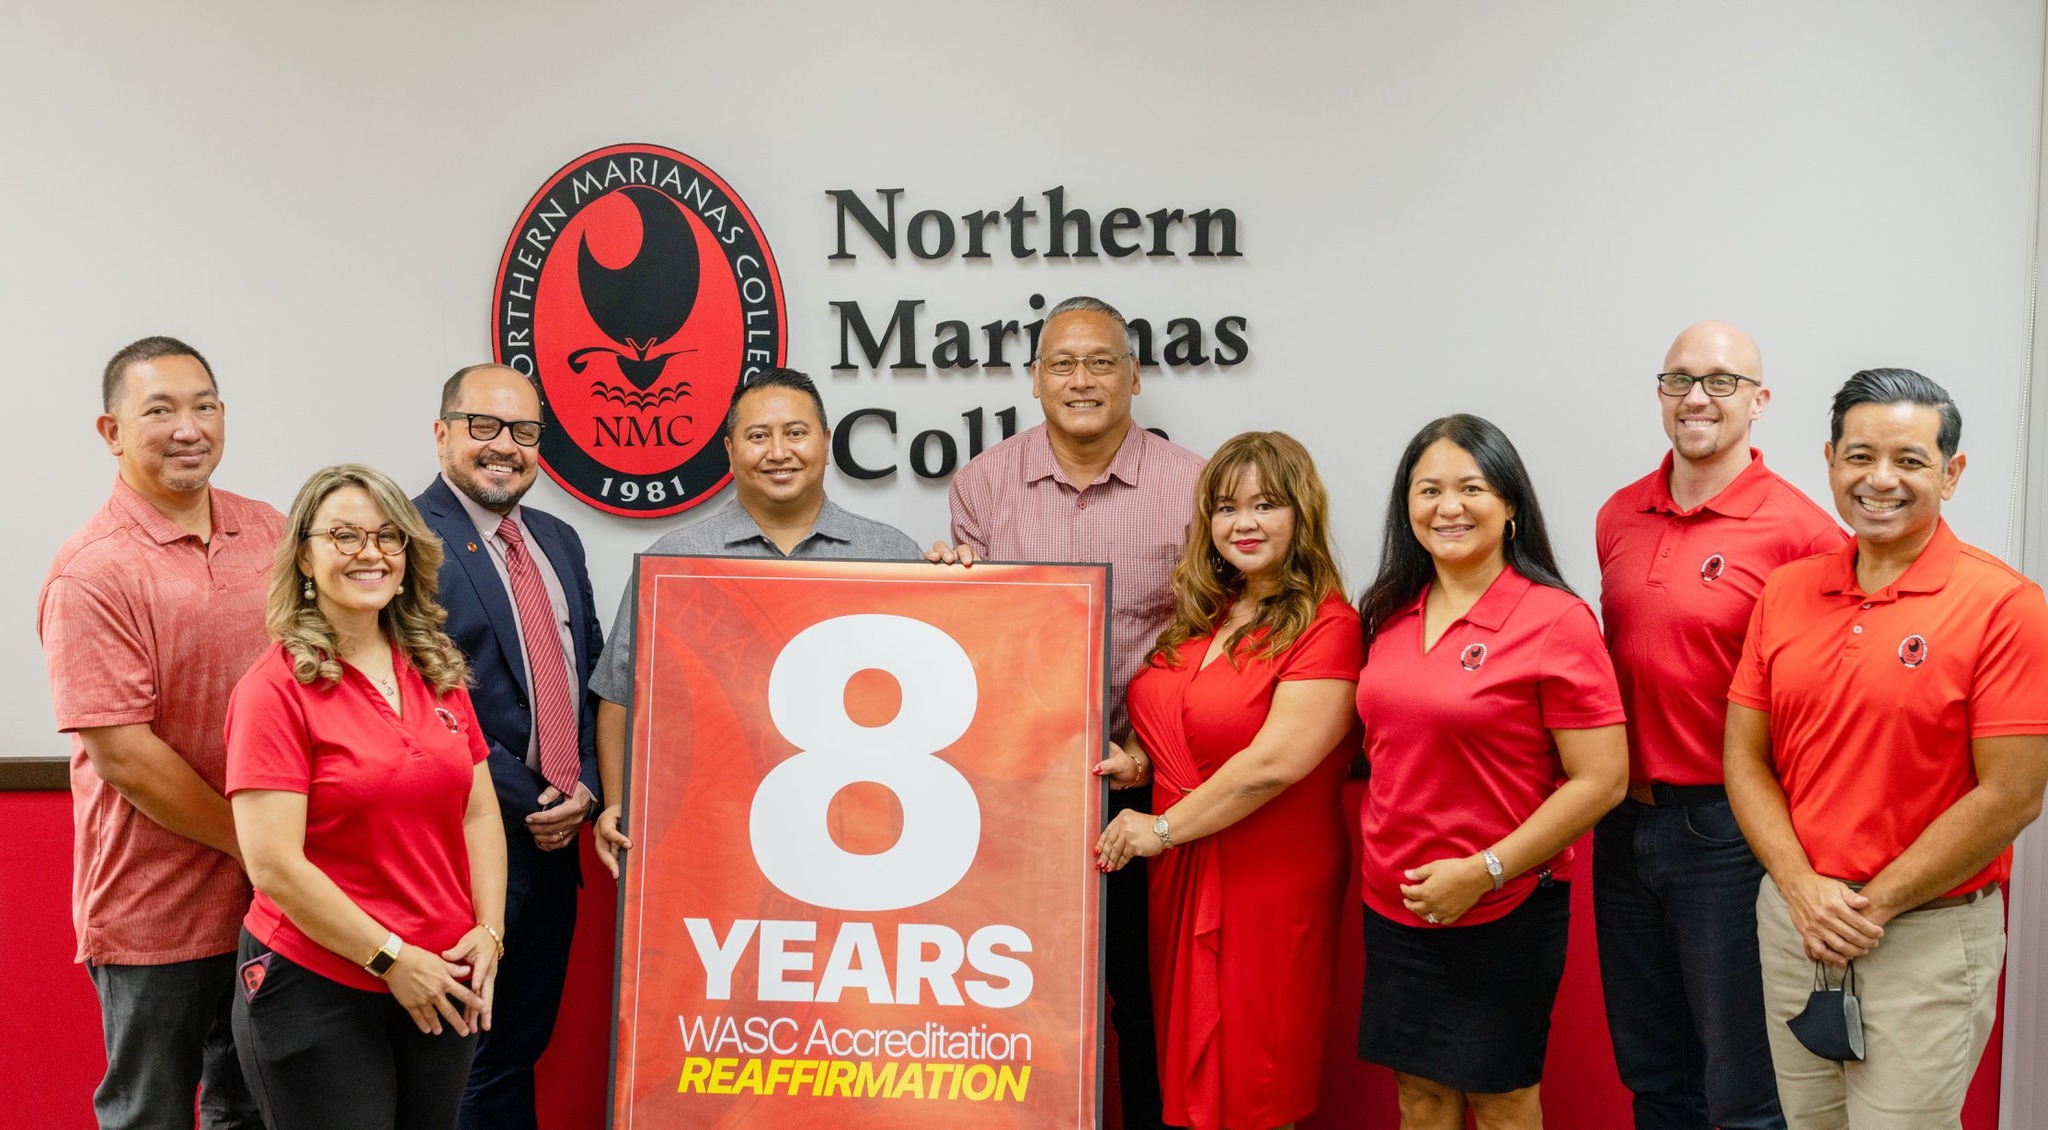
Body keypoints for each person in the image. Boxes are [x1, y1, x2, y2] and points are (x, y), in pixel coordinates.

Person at [1725, 369, 2048, 1128]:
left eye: (1909, 459)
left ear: (1952, 472)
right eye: (1859, 455)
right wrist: (1802, 889)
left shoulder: (2005, 606)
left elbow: (2012, 795)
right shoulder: (1786, 592)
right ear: (1831, 460)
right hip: (1797, 925)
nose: (1880, 479)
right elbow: (1745, 759)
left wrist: (1873, 905)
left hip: (1923, 937)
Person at [931, 295, 1204, 1129]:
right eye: (1062, 364)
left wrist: (1150, 751)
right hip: (1018, 792)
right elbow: (973, 641)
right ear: (1035, 379)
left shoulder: (1193, 484)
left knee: (1149, 1006)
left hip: (1151, 788)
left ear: (1134, 376)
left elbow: (1215, 634)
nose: (1080, 380)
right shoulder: (983, 484)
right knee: (1027, 1001)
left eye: (1099, 363)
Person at [1593, 322, 1843, 1130]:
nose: (1697, 397)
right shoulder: (1618, 513)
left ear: (1760, 401)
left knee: (1743, 1088)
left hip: (1727, 837)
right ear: (1660, 394)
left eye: (1722, 381)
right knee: (1655, 1073)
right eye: (1679, 380)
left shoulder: (1802, 534)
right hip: (1623, 826)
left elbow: (1828, 701)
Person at [1353, 414, 1628, 1130]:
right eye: (1428, 490)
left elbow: (1602, 779)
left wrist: (1484, 869)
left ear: (1510, 506)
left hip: (1504, 904)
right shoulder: (1387, 613)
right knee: (1420, 1098)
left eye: (1471, 487)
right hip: (1397, 903)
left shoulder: (1555, 620)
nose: (1449, 507)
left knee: (1502, 1102)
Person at [37, 336, 278, 1130]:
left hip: (274, 904)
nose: (189, 427)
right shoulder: (93, 571)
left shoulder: (271, 533)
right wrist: (256, 843)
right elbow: (125, 755)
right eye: (160, 410)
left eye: (204, 405)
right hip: (153, 909)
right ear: (110, 431)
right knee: (152, 1115)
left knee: (253, 1109)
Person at [224, 464, 508, 1130]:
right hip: (319, 984)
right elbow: (273, 865)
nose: (370, 552)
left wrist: (489, 933)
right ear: (304, 556)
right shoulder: (274, 691)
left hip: (442, 980)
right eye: (344, 536)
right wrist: (388, 957)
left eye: (387, 536)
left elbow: (479, 809)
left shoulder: (435, 666)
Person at [1094, 431, 1362, 1130]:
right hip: (1177, 869)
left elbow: (1272, 764)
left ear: (1301, 514)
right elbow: (1185, 721)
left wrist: (1157, 827)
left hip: (1264, 877)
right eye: (1225, 508)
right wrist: (1141, 761)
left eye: (1266, 505)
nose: (1243, 524)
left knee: (1252, 1081)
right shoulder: (1205, 616)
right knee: (1182, 1078)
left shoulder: (1329, 626)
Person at [591, 367, 921, 875]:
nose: (779, 452)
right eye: (758, 436)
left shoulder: (894, 555)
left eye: (795, 433)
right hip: (713, 831)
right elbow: (619, 696)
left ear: (826, 442)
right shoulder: (675, 561)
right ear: (729, 450)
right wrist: (618, 800)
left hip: (862, 826)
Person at [414, 364, 604, 1130]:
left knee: (515, 1051)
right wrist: (539, 803)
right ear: (442, 433)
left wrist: (586, 783)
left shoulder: (557, 539)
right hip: (461, 853)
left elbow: (586, 673)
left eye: (524, 432)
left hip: (556, 854)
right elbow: (422, 703)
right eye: (483, 426)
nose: (505, 446)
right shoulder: (407, 541)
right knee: (462, 1061)